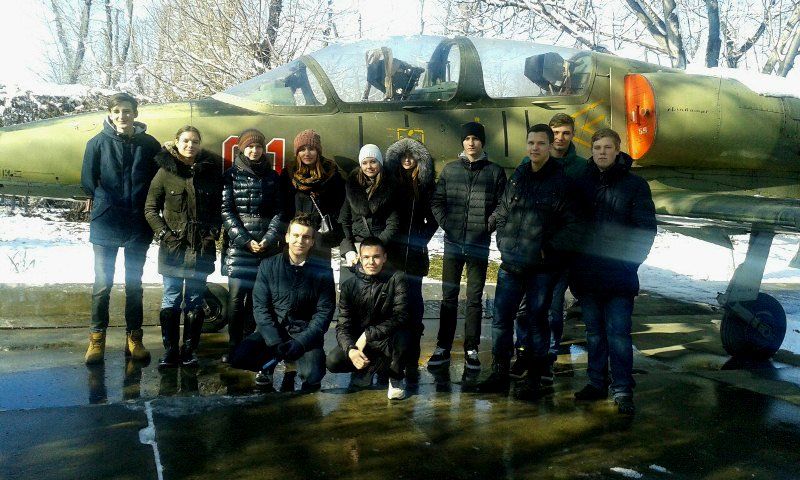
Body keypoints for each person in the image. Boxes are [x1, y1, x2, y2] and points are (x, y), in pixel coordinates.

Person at [478, 124, 578, 397]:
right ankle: (499, 373)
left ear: (550, 146)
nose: (535, 148)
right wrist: (500, 238)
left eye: (541, 143)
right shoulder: (519, 176)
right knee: (501, 319)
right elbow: (503, 210)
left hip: (541, 268)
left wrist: (548, 249)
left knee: (536, 321)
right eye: (531, 143)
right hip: (511, 263)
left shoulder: (561, 182)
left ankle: (534, 378)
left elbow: (572, 225)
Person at [570, 128, 656, 415]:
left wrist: (629, 264)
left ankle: (622, 389)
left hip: (619, 277)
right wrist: (575, 266)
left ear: (618, 151)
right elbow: (572, 227)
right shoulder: (582, 183)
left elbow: (645, 231)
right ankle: (596, 382)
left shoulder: (635, 185)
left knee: (618, 334)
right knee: (594, 334)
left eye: (607, 148)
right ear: (591, 151)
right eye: (597, 148)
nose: (602, 153)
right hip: (588, 275)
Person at [81, 92, 161, 365]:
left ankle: (134, 339)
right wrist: (105, 202)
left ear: (135, 114)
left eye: (127, 111)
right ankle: (97, 340)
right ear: (110, 114)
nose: (122, 116)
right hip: (106, 222)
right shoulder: (97, 143)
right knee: (102, 284)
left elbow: (158, 180)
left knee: (134, 285)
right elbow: (88, 180)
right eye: (117, 111)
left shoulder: (149, 144)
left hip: (138, 224)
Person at [511, 113, 587, 380]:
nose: (560, 138)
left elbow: (580, 213)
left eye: (566, 133)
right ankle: (523, 353)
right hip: (531, 251)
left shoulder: (581, 168)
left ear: (573, 134)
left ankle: (548, 357)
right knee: (524, 308)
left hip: (561, 253)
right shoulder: (528, 164)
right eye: (555, 133)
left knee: (553, 309)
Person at [428, 122, 506, 371]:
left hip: (478, 245)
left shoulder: (495, 172)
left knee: (474, 299)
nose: (471, 143)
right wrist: (448, 225)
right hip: (452, 243)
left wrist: (486, 226)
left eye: (476, 138)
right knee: (449, 298)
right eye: (467, 138)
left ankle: (471, 348)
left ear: (483, 142)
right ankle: (443, 347)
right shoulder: (450, 170)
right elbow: (437, 201)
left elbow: (502, 205)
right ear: (462, 142)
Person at [144, 126, 223, 368]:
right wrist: (165, 236)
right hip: (173, 249)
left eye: (195, 141)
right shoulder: (164, 173)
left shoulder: (210, 173)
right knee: (171, 297)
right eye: (186, 141)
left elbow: (219, 210)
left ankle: (189, 350)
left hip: (201, 248)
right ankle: (170, 351)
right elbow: (150, 209)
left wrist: (212, 234)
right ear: (176, 143)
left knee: (195, 299)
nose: (190, 145)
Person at [229, 214, 336, 392]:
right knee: (240, 356)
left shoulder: (323, 271)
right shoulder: (268, 265)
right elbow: (260, 308)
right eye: (295, 235)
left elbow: (324, 313)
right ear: (287, 237)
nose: (300, 241)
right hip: (274, 330)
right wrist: (274, 342)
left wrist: (301, 343)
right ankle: (267, 366)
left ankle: (293, 363)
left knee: (313, 375)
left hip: (303, 333)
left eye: (306, 237)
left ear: (312, 242)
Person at [220, 128, 284, 362]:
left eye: (258, 146)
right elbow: (226, 211)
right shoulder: (230, 175)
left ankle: (249, 346)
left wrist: (269, 238)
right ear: (242, 149)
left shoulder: (272, 176)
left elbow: (279, 211)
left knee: (258, 301)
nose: (254, 151)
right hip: (240, 248)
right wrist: (246, 241)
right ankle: (233, 346)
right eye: (250, 146)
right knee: (236, 300)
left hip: (265, 248)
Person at [326, 237, 411, 400]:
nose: (371, 262)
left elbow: (401, 316)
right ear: (359, 258)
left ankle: (396, 376)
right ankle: (366, 368)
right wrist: (351, 350)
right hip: (361, 344)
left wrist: (367, 334)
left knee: (404, 334)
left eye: (376, 257)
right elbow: (342, 326)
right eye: (366, 257)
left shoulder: (397, 278)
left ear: (384, 257)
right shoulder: (349, 286)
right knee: (333, 361)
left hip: (388, 341)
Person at [384, 138, 438, 381]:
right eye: (403, 156)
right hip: (392, 251)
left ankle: (412, 356)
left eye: (412, 156)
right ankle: (389, 354)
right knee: (391, 304)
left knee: (414, 303)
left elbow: (433, 217)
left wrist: (421, 238)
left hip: (415, 253)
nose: (407, 160)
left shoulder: (425, 185)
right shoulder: (389, 182)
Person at [339, 144, 399, 284]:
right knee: (352, 290)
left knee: (380, 291)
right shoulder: (352, 187)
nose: (369, 167)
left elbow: (393, 224)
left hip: (380, 248)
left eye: (373, 162)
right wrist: (349, 250)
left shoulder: (390, 187)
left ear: (380, 163)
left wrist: (375, 247)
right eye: (365, 163)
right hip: (356, 250)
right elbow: (344, 221)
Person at [281, 129, 345, 261]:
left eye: (311, 149)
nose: (307, 153)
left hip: (321, 238)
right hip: (296, 237)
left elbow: (339, 205)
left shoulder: (332, 174)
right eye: (302, 149)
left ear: (318, 151)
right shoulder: (288, 174)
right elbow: (283, 206)